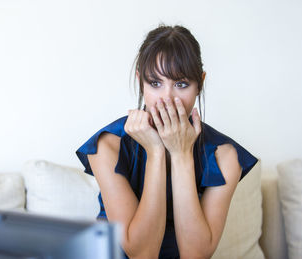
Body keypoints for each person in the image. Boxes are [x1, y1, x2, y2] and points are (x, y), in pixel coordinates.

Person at [76, 24, 258, 259]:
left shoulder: (224, 157)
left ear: (200, 84)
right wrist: (156, 152)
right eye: (155, 83)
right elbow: (141, 253)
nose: (167, 98)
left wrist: (181, 154)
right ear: (140, 80)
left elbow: (195, 255)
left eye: (181, 84)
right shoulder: (108, 146)